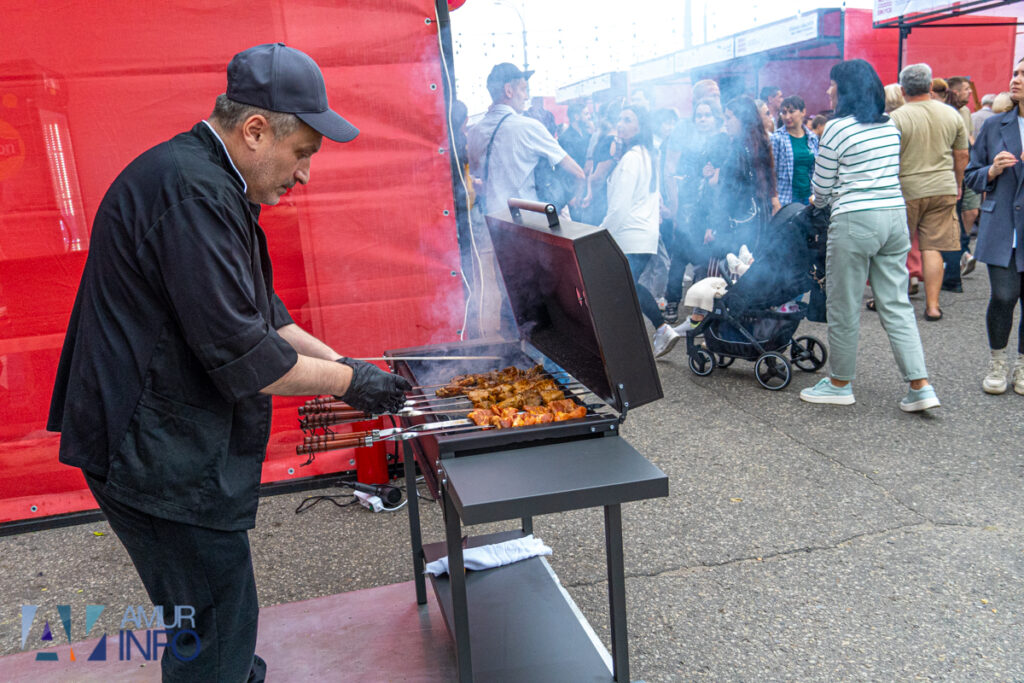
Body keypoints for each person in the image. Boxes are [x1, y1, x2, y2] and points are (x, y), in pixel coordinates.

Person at [46, 43, 412, 681]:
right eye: (303, 154)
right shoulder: (192, 194)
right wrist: (355, 384)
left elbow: (267, 318)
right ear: (255, 129)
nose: (304, 176)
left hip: (159, 439)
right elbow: (251, 359)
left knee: (218, 616)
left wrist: (347, 363)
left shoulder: (213, 183)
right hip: (149, 450)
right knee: (215, 622)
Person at [800, 59, 939, 411]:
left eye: (832, 84)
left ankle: (840, 383)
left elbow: (822, 187)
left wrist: (821, 198)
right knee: (896, 304)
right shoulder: (889, 127)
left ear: (845, 90)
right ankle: (920, 386)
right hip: (894, 219)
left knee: (844, 305)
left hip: (854, 221)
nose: (828, 90)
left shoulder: (835, 129)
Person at [467, 63, 585, 335]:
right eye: (523, 88)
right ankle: (551, 366)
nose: (526, 95)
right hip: (529, 229)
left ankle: (520, 358)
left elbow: (480, 181)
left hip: (496, 228)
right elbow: (576, 171)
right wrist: (570, 200)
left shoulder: (474, 132)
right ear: (508, 90)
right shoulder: (527, 127)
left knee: (512, 302)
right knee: (544, 304)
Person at [890, 63, 969, 321]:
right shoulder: (951, 115)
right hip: (943, 186)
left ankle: (891, 302)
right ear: (930, 85)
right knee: (933, 247)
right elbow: (962, 154)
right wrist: (957, 183)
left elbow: (890, 156)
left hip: (907, 188)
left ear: (903, 90)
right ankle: (933, 306)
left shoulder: (897, 118)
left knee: (897, 248)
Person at [964, 57, 1024, 395]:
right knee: (1004, 296)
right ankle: (998, 362)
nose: (1015, 80)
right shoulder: (994, 125)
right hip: (1003, 225)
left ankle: (1023, 366)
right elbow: (971, 176)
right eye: (1015, 72)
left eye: (1023, 74)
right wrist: (991, 171)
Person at [599, 106, 678, 357]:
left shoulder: (633, 158)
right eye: (619, 118)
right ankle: (644, 335)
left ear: (640, 126)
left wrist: (599, 236)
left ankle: (656, 331)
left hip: (629, 235)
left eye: (627, 120)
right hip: (643, 234)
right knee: (627, 287)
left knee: (624, 287)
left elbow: (619, 207)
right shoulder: (646, 154)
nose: (620, 124)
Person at [664, 98, 728, 320]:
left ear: (716, 117)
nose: (702, 119)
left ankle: (700, 309)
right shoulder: (691, 143)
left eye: (707, 115)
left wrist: (714, 173)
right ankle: (672, 302)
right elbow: (684, 174)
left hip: (709, 210)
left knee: (702, 260)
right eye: (698, 115)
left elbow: (723, 179)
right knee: (679, 257)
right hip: (688, 206)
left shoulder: (722, 141)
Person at [770, 95, 819, 206]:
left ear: (803, 112)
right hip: (786, 198)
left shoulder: (812, 138)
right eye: (784, 112)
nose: (787, 116)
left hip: (809, 198)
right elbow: (771, 172)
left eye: (791, 112)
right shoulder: (777, 138)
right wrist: (774, 199)